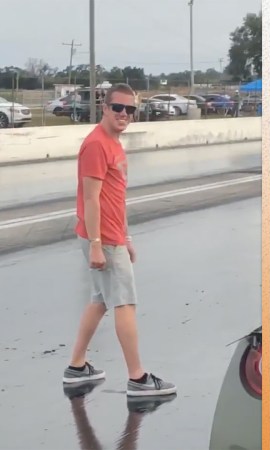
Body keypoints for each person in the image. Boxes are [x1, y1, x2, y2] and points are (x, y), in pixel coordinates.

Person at [64, 83, 176, 397]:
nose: (124, 114)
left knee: (100, 300)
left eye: (130, 109)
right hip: (103, 239)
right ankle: (137, 378)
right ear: (105, 107)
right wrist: (99, 244)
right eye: (118, 108)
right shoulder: (97, 145)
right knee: (124, 303)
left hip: (112, 237)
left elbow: (117, 196)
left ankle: (76, 366)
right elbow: (91, 199)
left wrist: (126, 236)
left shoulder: (114, 143)